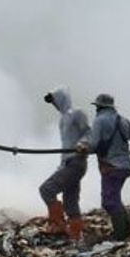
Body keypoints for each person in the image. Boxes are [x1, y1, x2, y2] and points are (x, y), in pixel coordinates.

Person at [76, 94, 130, 241]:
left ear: (99, 107)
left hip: (111, 167)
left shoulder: (99, 120)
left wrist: (83, 148)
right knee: (115, 199)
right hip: (125, 167)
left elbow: (94, 144)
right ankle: (128, 230)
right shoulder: (124, 121)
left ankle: (120, 235)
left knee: (109, 201)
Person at [38, 88, 91, 241]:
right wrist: (62, 165)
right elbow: (66, 144)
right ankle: (75, 236)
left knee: (47, 189)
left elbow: (89, 133)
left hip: (77, 161)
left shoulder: (77, 113)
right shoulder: (62, 120)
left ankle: (58, 224)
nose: (54, 104)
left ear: (62, 98)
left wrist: (83, 143)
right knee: (70, 201)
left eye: (54, 100)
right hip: (68, 162)